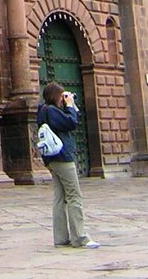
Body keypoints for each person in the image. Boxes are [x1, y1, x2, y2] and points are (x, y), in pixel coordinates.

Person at [36, 81, 99, 249]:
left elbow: (63, 122)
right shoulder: (52, 111)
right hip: (63, 158)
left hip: (52, 160)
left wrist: (68, 107)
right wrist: (70, 107)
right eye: (62, 96)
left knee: (60, 197)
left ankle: (61, 238)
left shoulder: (43, 111)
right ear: (56, 96)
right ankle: (80, 237)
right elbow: (71, 123)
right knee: (74, 196)